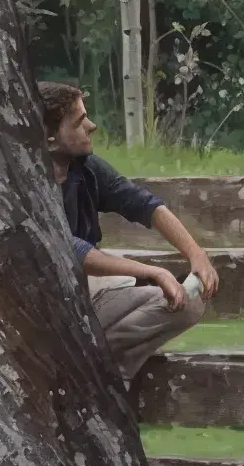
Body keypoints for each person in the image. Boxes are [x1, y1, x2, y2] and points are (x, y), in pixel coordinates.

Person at [42, 80, 213, 372]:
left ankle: (100, 366)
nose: (92, 126)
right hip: (48, 306)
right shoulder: (25, 183)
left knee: (189, 303)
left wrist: (196, 254)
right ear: (50, 139)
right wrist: (152, 271)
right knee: (167, 291)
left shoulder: (86, 168)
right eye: (80, 121)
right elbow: (69, 248)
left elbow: (143, 203)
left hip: (86, 290)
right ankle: (92, 366)